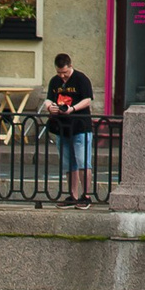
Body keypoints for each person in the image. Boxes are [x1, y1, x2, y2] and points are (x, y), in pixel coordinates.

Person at [44, 52, 97, 206]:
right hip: (62, 127)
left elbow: (87, 100)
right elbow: (49, 98)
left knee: (83, 161)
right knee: (68, 163)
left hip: (80, 126)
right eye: (59, 73)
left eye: (65, 73)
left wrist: (72, 109)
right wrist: (50, 106)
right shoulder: (55, 81)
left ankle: (86, 195)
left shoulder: (81, 79)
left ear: (70, 67)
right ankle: (72, 195)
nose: (62, 76)